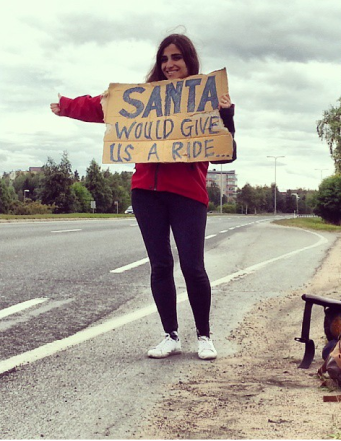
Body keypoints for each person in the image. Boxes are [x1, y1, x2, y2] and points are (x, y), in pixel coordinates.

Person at [51, 34, 237, 359]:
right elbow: (103, 106)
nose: (169, 64)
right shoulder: (144, 96)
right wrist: (67, 107)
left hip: (188, 195)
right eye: (164, 58)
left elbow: (226, 155)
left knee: (193, 266)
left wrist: (227, 116)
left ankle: (204, 337)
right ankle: (171, 336)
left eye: (176, 57)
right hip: (146, 194)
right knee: (160, 265)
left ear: (188, 60)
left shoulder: (207, 97)